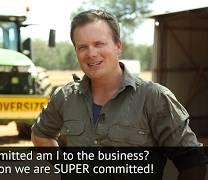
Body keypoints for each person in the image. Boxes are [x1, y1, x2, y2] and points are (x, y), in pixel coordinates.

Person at [31, 9, 207, 179]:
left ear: (118, 46)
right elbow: (41, 135)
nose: (91, 53)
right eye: (82, 47)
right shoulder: (65, 96)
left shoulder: (153, 98)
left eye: (99, 44)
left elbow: (193, 163)